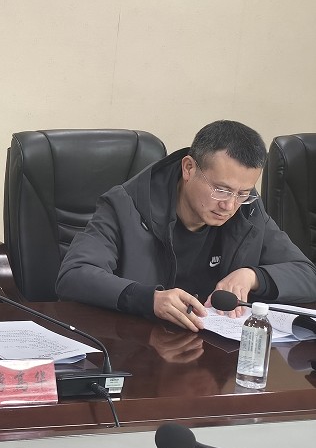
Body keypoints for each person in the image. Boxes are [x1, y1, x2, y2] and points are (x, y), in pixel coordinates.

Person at [56, 120, 316, 332]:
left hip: (212, 352)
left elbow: (307, 274)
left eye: (243, 193)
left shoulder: (247, 210)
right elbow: (74, 275)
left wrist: (253, 276)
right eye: (221, 189)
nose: (229, 205)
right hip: (140, 348)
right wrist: (149, 299)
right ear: (189, 168)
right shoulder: (126, 205)